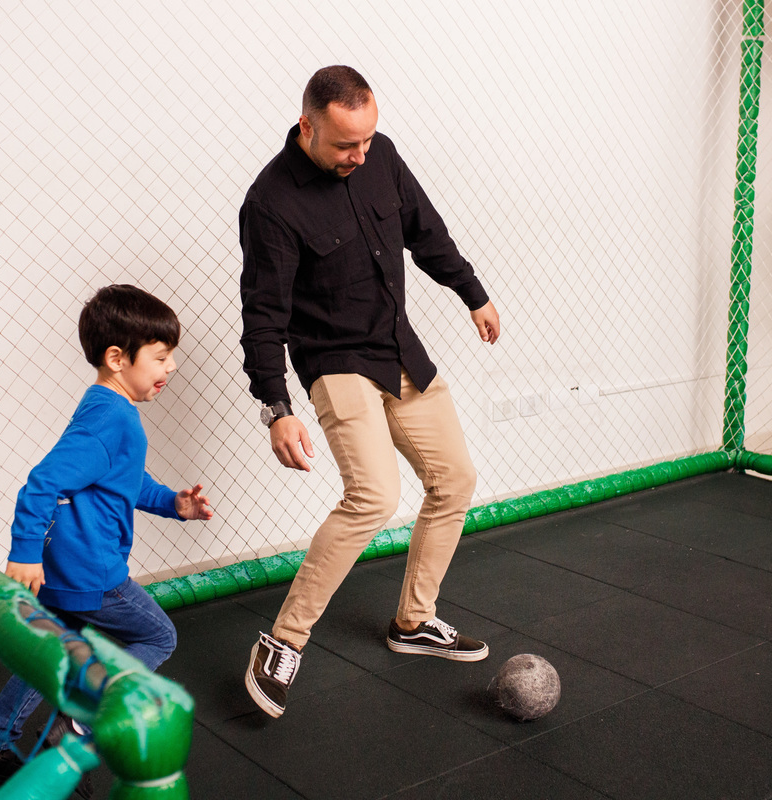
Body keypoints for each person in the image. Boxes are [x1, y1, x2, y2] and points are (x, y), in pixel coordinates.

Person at [239, 65, 501, 718]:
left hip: (398, 347)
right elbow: (264, 313)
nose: (360, 155)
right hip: (335, 360)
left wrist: (473, 292)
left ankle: (413, 622)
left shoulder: (378, 155)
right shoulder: (270, 203)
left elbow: (426, 232)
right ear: (308, 126)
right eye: (345, 145)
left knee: (455, 480)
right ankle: (283, 641)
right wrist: (276, 408)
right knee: (375, 495)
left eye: (367, 140)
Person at [0, 284, 214, 789]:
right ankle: (78, 725)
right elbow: (43, 482)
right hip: (92, 571)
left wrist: (172, 503)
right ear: (118, 358)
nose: (171, 369)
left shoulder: (103, 407)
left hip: (67, 567)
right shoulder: (113, 419)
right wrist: (25, 553)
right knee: (158, 635)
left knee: (53, 652)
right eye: (162, 358)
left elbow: (121, 478)